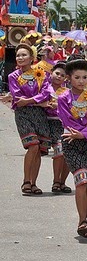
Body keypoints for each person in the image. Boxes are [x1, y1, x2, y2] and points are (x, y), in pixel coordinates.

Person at [58, 59, 87, 238]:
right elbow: (67, 121)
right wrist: (79, 134)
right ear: (69, 78)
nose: (81, 81)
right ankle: (82, 221)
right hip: (72, 143)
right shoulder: (63, 98)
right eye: (77, 77)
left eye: (84, 77)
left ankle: (84, 218)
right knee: (82, 179)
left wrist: (84, 134)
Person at [8, 43, 51, 196]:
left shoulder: (42, 74)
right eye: (18, 55)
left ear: (32, 57)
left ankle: (34, 183)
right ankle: (26, 181)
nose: (20, 58)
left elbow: (46, 92)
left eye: (23, 55)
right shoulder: (13, 76)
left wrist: (30, 100)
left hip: (40, 114)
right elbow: (17, 96)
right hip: (23, 114)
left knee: (39, 149)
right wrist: (36, 101)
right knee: (33, 145)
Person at [44, 61, 71, 194]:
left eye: (63, 75)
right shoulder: (44, 88)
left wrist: (58, 107)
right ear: (51, 73)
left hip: (63, 124)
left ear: (66, 78)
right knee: (59, 151)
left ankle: (62, 182)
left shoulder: (67, 92)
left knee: (65, 153)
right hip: (47, 123)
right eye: (57, 73)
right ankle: (56, 181)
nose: (59, 77)